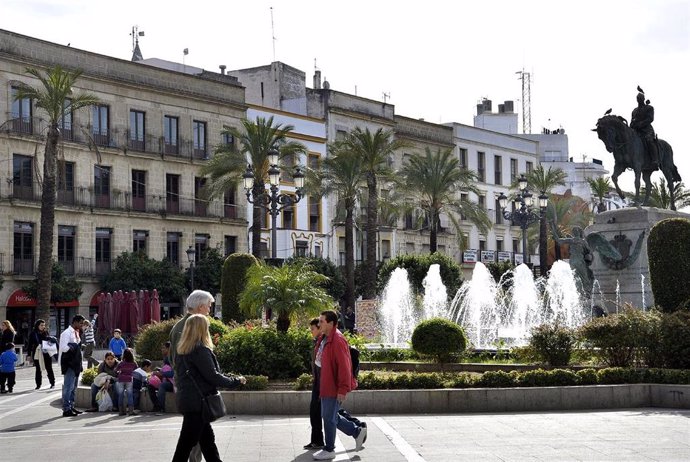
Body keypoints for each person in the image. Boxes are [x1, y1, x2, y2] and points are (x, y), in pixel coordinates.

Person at [171, 314, 246, 462]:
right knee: (185, 446)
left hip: (190, 402)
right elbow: (213, 376)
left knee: (207, 442)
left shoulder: (182, 351)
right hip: (199, 403)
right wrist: (236, 381)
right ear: (201, 329)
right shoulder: (200, 350)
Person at [312, 310, 366, 460]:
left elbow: (344, 366)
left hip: (333, 386)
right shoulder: (324, 338)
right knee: (330, 416)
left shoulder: (338, 340)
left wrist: (343, 389)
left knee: (328, 417)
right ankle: (356, 431)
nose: (319, 323)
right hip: (325, 384)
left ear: (331, 323)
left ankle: (329, 449)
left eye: (322, 321)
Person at [169, 290, 214, 462]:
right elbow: (182, 360)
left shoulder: (181, 325)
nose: (209, 310)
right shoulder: (190, 327)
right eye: (208, 306)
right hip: (194, 390)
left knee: (202, 436)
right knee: (193, 436)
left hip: (191, 388)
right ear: (201, 307)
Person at [304, 318, 325, 450]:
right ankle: (316, 440)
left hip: (322, 383)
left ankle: (356, 428)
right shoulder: (317, 341)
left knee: (319, 412)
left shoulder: (323, 341)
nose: (311, 331)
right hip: (317, 381)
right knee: (315, 412)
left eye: (313, 329)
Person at [59, 314, 85, 417]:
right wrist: (73, 347)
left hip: (76, 363)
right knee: (68, 387)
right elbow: (64, 347)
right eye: (80, 323)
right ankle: (66, 409)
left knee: (74, 387)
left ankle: (71, 406)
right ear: (74, 322)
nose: (81, 325)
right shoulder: (66, 333)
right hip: (69, 363)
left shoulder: (76, 333)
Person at [630, 87, 659, 168]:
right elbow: (632, 121)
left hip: (646, 130)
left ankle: (655, 160)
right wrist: (632, 125)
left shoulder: (649, 108)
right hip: (636, 131)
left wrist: (640, 124)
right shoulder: (634, 111)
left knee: (649, 141)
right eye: (637, 98)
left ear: (643, 99)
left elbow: (650, 118)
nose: (639, 99)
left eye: (640, 98)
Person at [26, 319, 57, 390]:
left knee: (49, 368)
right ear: (37, 325)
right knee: (38, 369)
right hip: (37, 352)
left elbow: (49, 342)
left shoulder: (46, 332)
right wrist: (28, 355)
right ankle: (38, 385)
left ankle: (52, 383)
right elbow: (30, 345)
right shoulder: (33, 333)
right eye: (41, 325)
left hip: (46, 352)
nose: (43, 326)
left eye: (44, 325)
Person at [115, 348, 138, 416]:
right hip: (129, 380)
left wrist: (119, 372)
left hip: (121, 379)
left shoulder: (121, 363)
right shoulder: (134, 363)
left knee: (121, 395)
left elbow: (116, 370)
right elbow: (136, 370)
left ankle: (121, 411)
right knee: (130, 395)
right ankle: (131, 411)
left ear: (123, 355)